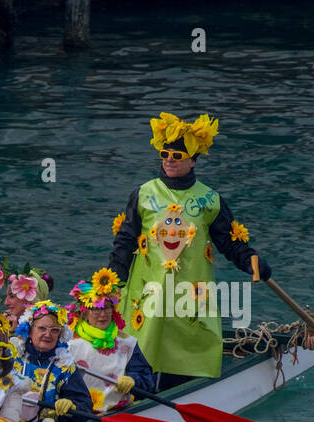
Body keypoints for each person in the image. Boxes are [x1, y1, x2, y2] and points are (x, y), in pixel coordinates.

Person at [108, 111, 271, 385]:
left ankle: (188, 385)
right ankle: (136, 386)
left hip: (191, 291)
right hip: (148, 290)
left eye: (178, 156)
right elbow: (125, 240)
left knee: (189, 338)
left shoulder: (210, 200)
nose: (169, 160)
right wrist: (110, 283)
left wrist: (251, 260)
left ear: (193, 160)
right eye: (165, 154)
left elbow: (229, 241)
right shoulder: (144, 194)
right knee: (144, 342)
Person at [65, 270, 155, 412]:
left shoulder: (127, 343)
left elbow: (148, 381)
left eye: (107, 308)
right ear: (84, 312)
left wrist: (133, 380)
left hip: (120, 412)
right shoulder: (70, 344)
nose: (103, 314)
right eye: (96, 308)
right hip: (81, 415)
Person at [10, 301, 95, 422]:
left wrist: (72, 407)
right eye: (42, 328)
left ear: (60, 335)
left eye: (54, 330)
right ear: (30, 329)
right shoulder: (11, 355)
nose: (48, 335)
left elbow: (85, 407)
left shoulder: (65, 367)